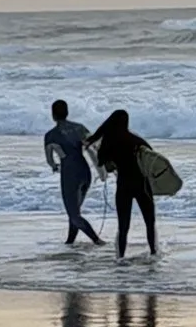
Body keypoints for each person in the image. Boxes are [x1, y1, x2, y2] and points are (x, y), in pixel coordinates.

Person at [92, 106, 160, 262]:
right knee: (150, 222)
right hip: (141, 184)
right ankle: (154, 253)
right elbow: (152, 159)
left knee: (123, 226)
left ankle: (120, 258)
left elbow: (107, 168)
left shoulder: (109, 144)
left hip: (123, 186)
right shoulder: (136, 140)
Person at [44, 99, 102, 246]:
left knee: (74, 214)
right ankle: (70, 242)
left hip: (69, 174)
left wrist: (55, 167)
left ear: (53, 115)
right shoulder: (80, 128)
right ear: (67, 112)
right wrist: (102, 169)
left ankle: (97, 240)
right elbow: (94, 147)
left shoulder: (51, 135)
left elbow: (50, 160)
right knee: (74, 212)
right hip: (85, 172)